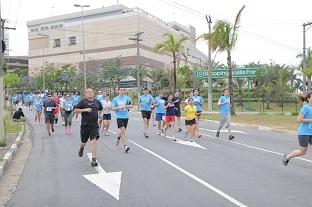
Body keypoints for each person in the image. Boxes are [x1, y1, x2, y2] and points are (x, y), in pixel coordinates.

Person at [74, 88, 103, 167]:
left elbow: (101, 109)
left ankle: (93, 160)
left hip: (94, 125)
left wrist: (101, 114)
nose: (90, 93)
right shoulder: (82, 102)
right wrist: (85, 110)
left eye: (91, 92)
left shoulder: (97, 102)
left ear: (93, 93)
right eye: (88, 92)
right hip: (85, 125)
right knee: (83, 142)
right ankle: (81, 148)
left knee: (93, 141)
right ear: (85, 94)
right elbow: (75, 110)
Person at [283, 93, 312, 166]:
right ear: (308, 99)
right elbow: (299, 120)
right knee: (302, 152)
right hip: (304, 133)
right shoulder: (305, 108)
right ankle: (287, 157)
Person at [112, 87, 134, 152]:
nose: (122, 91)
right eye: (120, 90)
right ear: (118, 91)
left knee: (122, 131)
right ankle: (125, 146)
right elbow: (112, 108)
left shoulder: (127, 98)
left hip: (126, 117)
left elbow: (132, 105)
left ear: (124, 91)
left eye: (123, 90)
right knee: (123, 131)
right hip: (119, 117)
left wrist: (126, 106)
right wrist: (119, 108)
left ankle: (119, 137)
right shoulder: (115, 99)